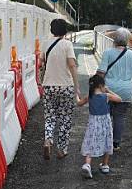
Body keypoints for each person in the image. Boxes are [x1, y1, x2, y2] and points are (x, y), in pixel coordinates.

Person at [96, 28, 132, 151]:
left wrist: (98, 88)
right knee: (120, 117)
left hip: (108, 90)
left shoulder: (108, 53)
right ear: (127, 40)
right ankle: (116, 143)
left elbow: (101, 72)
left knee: (105, 116)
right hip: (125, 92)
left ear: (114, 39)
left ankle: (103, 141)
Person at [40, 18, 81, 160]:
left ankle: (48, 139)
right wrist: (77, 86)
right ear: (65, 31)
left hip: (49, 86)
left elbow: (41, 63)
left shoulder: (45, 43)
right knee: (65, 118)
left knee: (50, 116)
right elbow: (72, 65)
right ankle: (62, 149)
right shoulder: (67, 44)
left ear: (52, 30)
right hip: (65, 86)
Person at [78, 73, 121, 178]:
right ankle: (105, 165)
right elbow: (119, 99)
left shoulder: (90, 96)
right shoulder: (106, 96)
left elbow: (79, 103)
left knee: (91, 141)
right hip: (105, 124)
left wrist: (76, 95)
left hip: (93, 124)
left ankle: (87, 164)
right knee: (107, 140)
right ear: (101, 85)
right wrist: (108, 90)